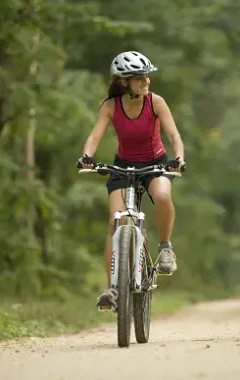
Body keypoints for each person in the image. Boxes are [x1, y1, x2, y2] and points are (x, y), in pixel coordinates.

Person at [77, 51, 186, 309]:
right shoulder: (111, 106)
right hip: (123, 165)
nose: (145, 81)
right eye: (139, 78)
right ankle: (113, 289)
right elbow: (94, 137)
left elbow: (174, 135)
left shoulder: (156, 102)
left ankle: (166, 247)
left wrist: (178, 158)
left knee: (162, 196)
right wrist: (86, 156)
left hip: (155, 162)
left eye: (146, 76)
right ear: (125, 81)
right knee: (115, 222)